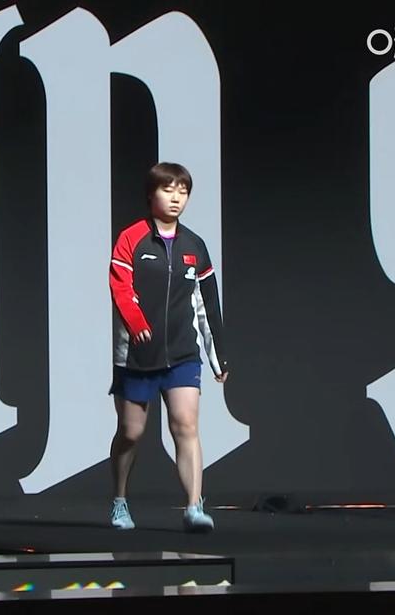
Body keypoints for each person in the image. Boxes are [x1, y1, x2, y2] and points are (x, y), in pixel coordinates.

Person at [106, 162, 229, 532]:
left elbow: (208, 304)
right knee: (131, 432)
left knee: (186, 425)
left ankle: (194, 507)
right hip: (136, 356)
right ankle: (120, 501)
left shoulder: (195, 246)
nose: (176, 198)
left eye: (183, 191)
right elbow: (120, 287)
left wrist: (218, 357)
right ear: (151, 194)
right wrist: (138, 324)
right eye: (168, 189)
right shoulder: (131, 239)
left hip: (182, 354)